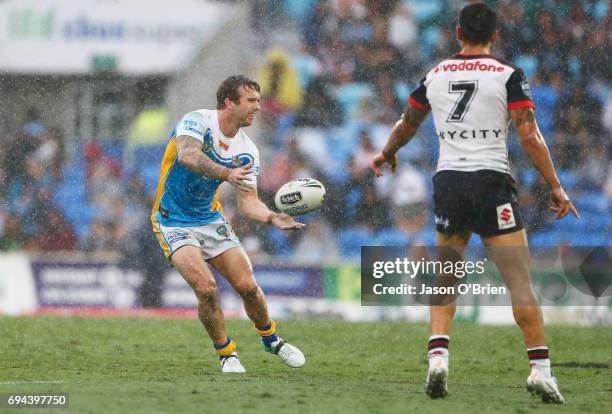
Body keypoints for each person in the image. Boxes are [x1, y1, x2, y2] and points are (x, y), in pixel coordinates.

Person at [372, 3, 578, 404]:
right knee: (519, 281)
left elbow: (407, 122)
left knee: (447, 273)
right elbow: (530, 135)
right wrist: (556, 186)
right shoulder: (507, 76)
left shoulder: (435, 74)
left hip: (449, 182)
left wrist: (387, 152)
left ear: (457, 32)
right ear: (496, 35)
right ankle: (540, 370)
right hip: (491, 182)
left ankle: (438, 358)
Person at [150, 75, 306, 373]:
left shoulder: (247, 150)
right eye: (251, 101)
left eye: (259, 101)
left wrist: (273, 216)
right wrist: (224, 173)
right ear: (229, 103)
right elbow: (187, 155)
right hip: (172, 220)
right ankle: (227, 354)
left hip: (210, 219)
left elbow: (248, 202)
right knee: (206, 288)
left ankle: (271, 340)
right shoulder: (197, 121)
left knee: (247, 286)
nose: (258, 107)